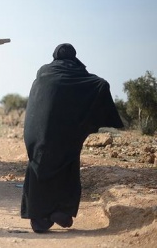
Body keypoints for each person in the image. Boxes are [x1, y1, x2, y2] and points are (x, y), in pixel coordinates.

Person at [20, 43, 124, 233]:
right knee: (66, 166)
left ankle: (39, 218)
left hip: (38, 132)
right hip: (65, 136)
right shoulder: (78, 73)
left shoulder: (44, 71)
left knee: (38, 167)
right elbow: (101, 84)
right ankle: (61, 211)